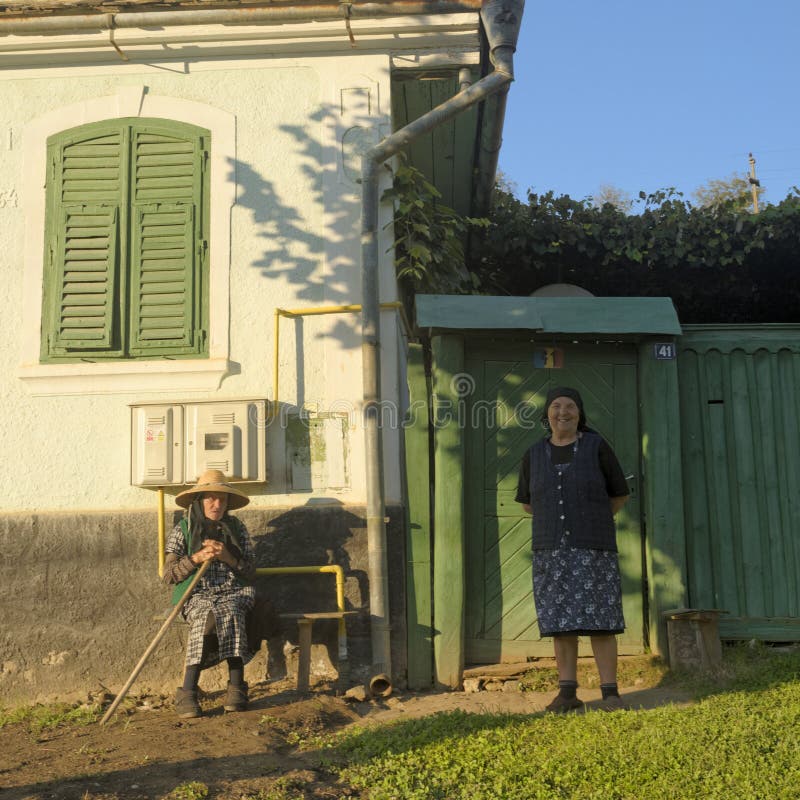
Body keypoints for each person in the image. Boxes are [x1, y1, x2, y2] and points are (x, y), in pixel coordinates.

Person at [516, 387, 630, 713]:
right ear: (546, 414)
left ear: (580, 414)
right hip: (551, 550)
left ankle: (610, 694)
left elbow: (620, 494)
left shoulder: (597, 448)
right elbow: (527, 504)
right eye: (556, 406)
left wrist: (592, 518)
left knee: (602, 621)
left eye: (570, 406)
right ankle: (567, 694)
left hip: (594, 548)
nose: (562, 412)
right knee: (560, 622)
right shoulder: (533, 454)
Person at [164, 469, 257, 718]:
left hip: (234, 591)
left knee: (232, 610)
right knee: (206, 613)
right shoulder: (183, 530)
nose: (216, 505)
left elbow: (250, 571)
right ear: (199, 500)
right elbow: (168, 574)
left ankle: (236, 688)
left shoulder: (237, 529)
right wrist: (196, 558)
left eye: (222, 500)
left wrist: (227, 556)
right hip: (196, 595)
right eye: (210, 498)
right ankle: (188, 691)